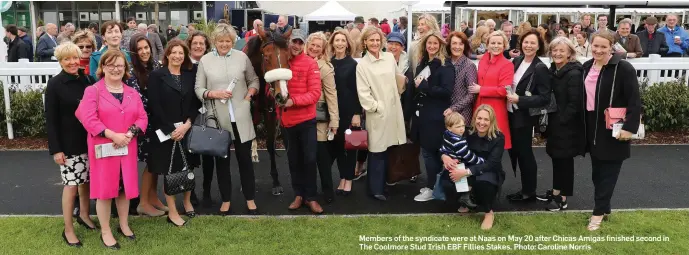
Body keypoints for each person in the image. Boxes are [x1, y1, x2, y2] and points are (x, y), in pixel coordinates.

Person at [75, 50, 148, 250]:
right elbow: (89, 119)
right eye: (111, 65)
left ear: (125, 69)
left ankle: (124, 224)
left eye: (120, 65)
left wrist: (130, 133)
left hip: (126, 147)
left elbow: (142, 117)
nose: (116, 69)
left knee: (123, 190)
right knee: (105, 191)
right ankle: (106, 230)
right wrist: (112, 134)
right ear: (103, 67)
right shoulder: (93, 91)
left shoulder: (132, 92)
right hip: (104, 148)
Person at [194, 24, 260, 215]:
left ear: (233, 41)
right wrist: (213, 93)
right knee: (222, 163)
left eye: (228, 41)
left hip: (240, 116)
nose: (224, 44)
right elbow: (198, 89)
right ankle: (226, 199)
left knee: (245, 160)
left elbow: (254, 80)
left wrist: (249, 97)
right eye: (221, 41)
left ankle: (250, 199)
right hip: (217, 119)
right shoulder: (206, 61)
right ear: (214, 41)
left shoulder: (242, 57)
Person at [581, 31, 641, 231]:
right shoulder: (587, 66)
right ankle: (604, 207)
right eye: (595, 46)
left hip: (614, 127)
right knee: (597, 173)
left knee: (608, 172)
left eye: (603, 47)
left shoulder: (623, 68)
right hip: (592, 125)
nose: (598, 50)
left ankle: (597, 213)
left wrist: (629, 128)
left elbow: (634, 100)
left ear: (612, 47)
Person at [45, 42, 98, 248]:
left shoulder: (87, 79)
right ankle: (68, 229)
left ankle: (84, 215)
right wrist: (56, 149)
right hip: (68, 144)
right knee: (72, 186)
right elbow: (51, 119)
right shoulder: (55, 84)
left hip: (89, 140)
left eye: (75, 58)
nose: (72, 62)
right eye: (67, 59)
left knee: (86, 183)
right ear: (60, 61)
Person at [147, 39, 201, 226]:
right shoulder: (157, 75)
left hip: (186, 129)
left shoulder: (189, 74)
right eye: (174, 52)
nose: (177, 56)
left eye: (181, 53)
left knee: (188, 167)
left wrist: (187, 125)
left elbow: (195, 103)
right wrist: (171, 130)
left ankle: (186, 202)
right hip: (166, 131)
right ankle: (172, 211)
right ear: (167, 54)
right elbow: (154, 105)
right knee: (170, 170)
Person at [356, 27, 407, 201]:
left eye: (378, 40)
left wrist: (401, 87)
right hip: (377, 113)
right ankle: (375, 189)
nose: (375, 43)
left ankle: (384, 183)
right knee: (376, 150)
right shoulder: (362, 65)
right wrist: (378, 107)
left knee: (388, 148)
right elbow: (363, 93)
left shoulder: (389, 57)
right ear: (365, 42)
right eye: (371, 40)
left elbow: (397, 77)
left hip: (393, 111)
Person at [536, 37, 585, 211]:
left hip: (566, 126)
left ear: (570, 53)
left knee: (564, 161)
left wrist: (561, 122)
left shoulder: (573, 73)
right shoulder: (554, 70)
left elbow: (574, 104)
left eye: (561, 51)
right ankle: (556, 190)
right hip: (555, 123)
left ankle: (562, 198)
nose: (557, 54)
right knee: (557, 159)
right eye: (554, 50)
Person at [505, 30, 551, 202]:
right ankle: (525, 188)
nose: (529, 45)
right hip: (510, 113)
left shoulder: (540, 68)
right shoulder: (516, 61)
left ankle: (529, 191)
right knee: (516, 152)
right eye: (526, 42)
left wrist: (521, 99)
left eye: (533, 43)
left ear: (539, 46)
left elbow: (545, 98)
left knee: (524, 153)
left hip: (524, 117)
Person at [281, 30, 324, 213]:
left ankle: (311, 197)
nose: (296, 46)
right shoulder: (282, 62)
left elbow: (315, 93)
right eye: (294, 42)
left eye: (300, 42)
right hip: (287, 121)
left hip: (306, 120)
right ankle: (298, 195)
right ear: (289, 43)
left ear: (303, 44)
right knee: (293, 160)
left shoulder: (310, 63)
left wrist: (293, 101)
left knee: (309, 159)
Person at [410, 32, 456, 202]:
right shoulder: (423, 62)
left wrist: (425, 87)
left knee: (431, 154)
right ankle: (435, 186)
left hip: (435, 117)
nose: (432, 46)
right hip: (422, 115)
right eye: (429, 43)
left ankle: (433, 188)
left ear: (441, 45)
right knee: (428, 153)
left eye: (435, 43)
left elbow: (446, 92)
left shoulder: (446, 65)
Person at [125, 34, 166, 217]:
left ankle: (153, 198)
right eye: (139, 49)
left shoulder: (156, 66)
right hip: (145, 126)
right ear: (134, 51)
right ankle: (143, 203)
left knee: (156, 163)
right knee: (150, 164)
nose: (144, 52)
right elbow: (138, 102)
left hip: (159, 123)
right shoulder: (132, 73)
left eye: (146, 47)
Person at [447, 105, 506, 230]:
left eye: (486, 119)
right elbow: (448, 143)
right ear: (475, 118)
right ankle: (467, 197)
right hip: (469, 167)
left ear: (491, 121)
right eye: (479, 118)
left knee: (483, 182)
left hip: (489, 171)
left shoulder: (498, 137)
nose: (482, 122)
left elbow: (491, 164)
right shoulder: (467, 132)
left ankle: (488, 213)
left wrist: (466, 173)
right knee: (450, 174)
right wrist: (445, 158)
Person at [306, 32, 339, 204]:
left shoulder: (325, 67)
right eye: (312, 44)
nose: (314, 48)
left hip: (319, 118)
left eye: (318, 46)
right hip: (301, 117)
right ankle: (306, 192)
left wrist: (334, 120)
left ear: (323, 49)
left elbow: (331, 95)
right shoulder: (298, 62)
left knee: (322, 157)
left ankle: (327, 190)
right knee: (305, 158)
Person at [329, 30, 361, 196]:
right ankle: (342, 178)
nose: (340, 43)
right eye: (337, 40)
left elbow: (358, 91)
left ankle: (349, 180)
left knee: (351, 147)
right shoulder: (330, 63)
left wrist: (357, 113)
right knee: (339, 147)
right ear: (333, 43)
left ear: (348, 44)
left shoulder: (353, 64)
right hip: (334, 112)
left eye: (343, 40)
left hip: (350, 112)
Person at [186, 31, 215, 207]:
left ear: (206, 46)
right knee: (190, 157)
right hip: (190, 116)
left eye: (201, 44)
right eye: (195, 43)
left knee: (209, 156)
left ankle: (207, 190)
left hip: (208, 113)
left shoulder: (210, 64)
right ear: (190, 45)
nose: (198, 46)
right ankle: (192, 192)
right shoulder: (185, 65)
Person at [472, 31, 514, 150]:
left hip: (495, 111)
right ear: (487, 45)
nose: (496, 46)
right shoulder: (483, 60)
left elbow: (504, 90)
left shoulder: (507, 65)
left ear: (504, 45)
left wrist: (481, 89)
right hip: (479, 108)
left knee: (493, 149)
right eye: (493, 43)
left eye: (499, 43)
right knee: (478, 148)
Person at [438, 112, 485, 206]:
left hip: (451, 162)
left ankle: (462, 199)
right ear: (449, 127)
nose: (462, 129)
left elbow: (443, 148)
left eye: (463, 126)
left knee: (461, 181)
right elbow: (468, 156)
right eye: (458, 127)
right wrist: (480, 161)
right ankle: (465, 197)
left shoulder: (447, 134)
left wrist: (445, 155)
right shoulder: (458, 141)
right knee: (471, 175)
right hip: (458, 163)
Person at [445, 31, 477, 123]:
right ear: (449, 45)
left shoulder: (469, 65)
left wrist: (453, 108)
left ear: (465, 46)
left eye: (461, 44)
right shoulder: (445, 62)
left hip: (462, 115)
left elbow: (471, 95)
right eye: (454, 43)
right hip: (445, 111)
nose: (457, 47)